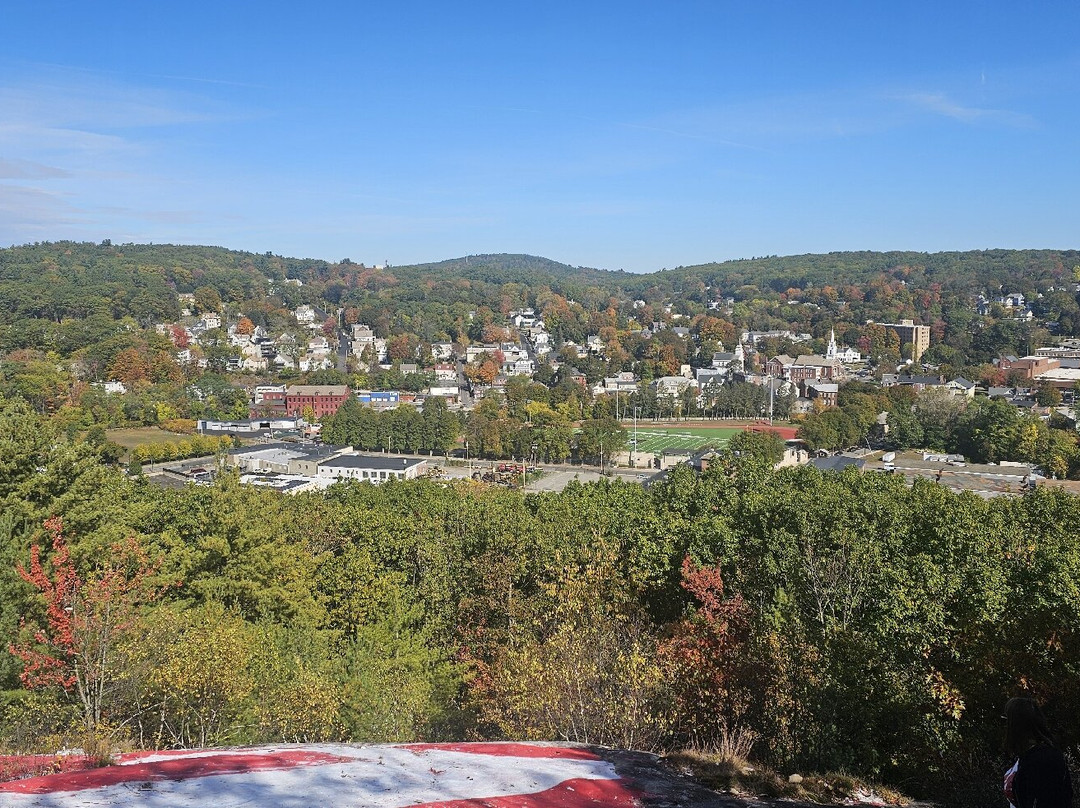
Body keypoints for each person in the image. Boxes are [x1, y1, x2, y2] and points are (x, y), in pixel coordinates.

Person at [1003, 697, 1073, 808]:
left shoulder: (1044, 759)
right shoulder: (1024, 756)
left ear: (1015, 726)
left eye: (1005, 720)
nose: (1004, 726)